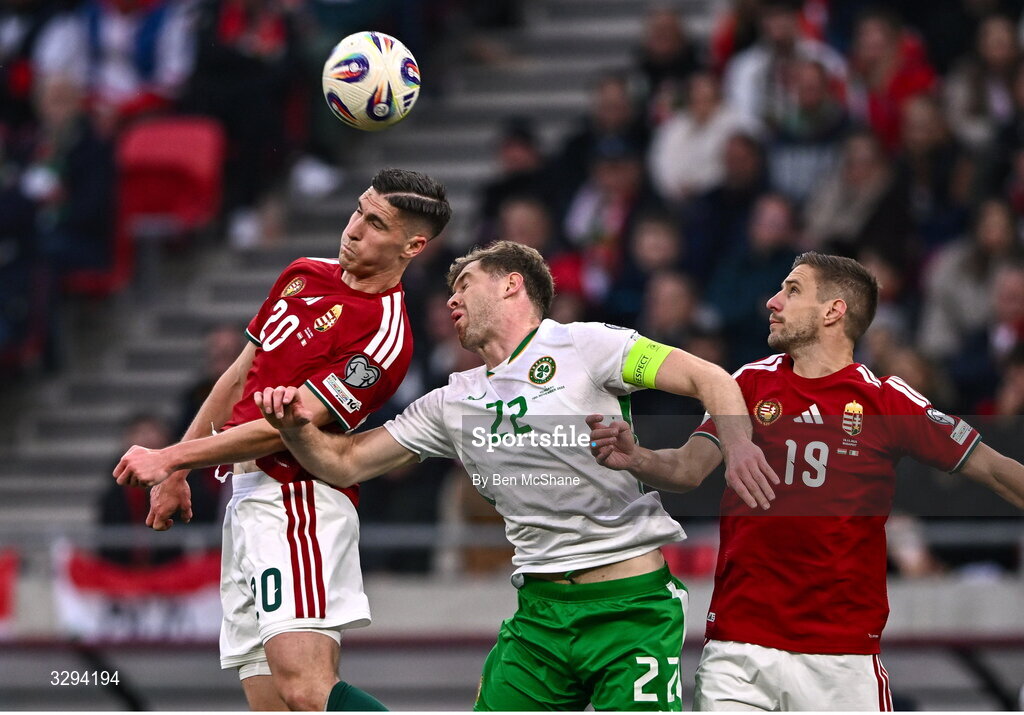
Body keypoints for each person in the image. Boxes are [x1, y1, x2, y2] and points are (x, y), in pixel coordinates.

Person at [254, 240, 778, 711]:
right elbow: (344, 461)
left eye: (464, 284)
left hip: (631, 607)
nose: (450, 301)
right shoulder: (450, 402)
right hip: (538, 617)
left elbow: (709, 378)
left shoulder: (585, 345)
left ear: (511, 284)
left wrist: (736, 447)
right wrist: (296, 428)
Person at [588, 251, 1024, 711]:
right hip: (740, 650)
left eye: (793, 290)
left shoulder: (884, 400)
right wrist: (637, 457)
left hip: (842, 656)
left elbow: (995, 469)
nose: (773, 301)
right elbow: (687, 469)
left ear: (834, 311)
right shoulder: (749, 384)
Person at [112, 168, 452, 712]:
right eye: (357, 210)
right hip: (244, 503)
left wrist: (171, 454)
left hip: (299, 503)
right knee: (272, 703)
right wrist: (178, 472)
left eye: (375, 222)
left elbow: (289, 425)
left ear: (412, 245)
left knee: (306, 689)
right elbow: (238, 377)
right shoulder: (301, 273)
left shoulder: (387, 335)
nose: (353, 228)